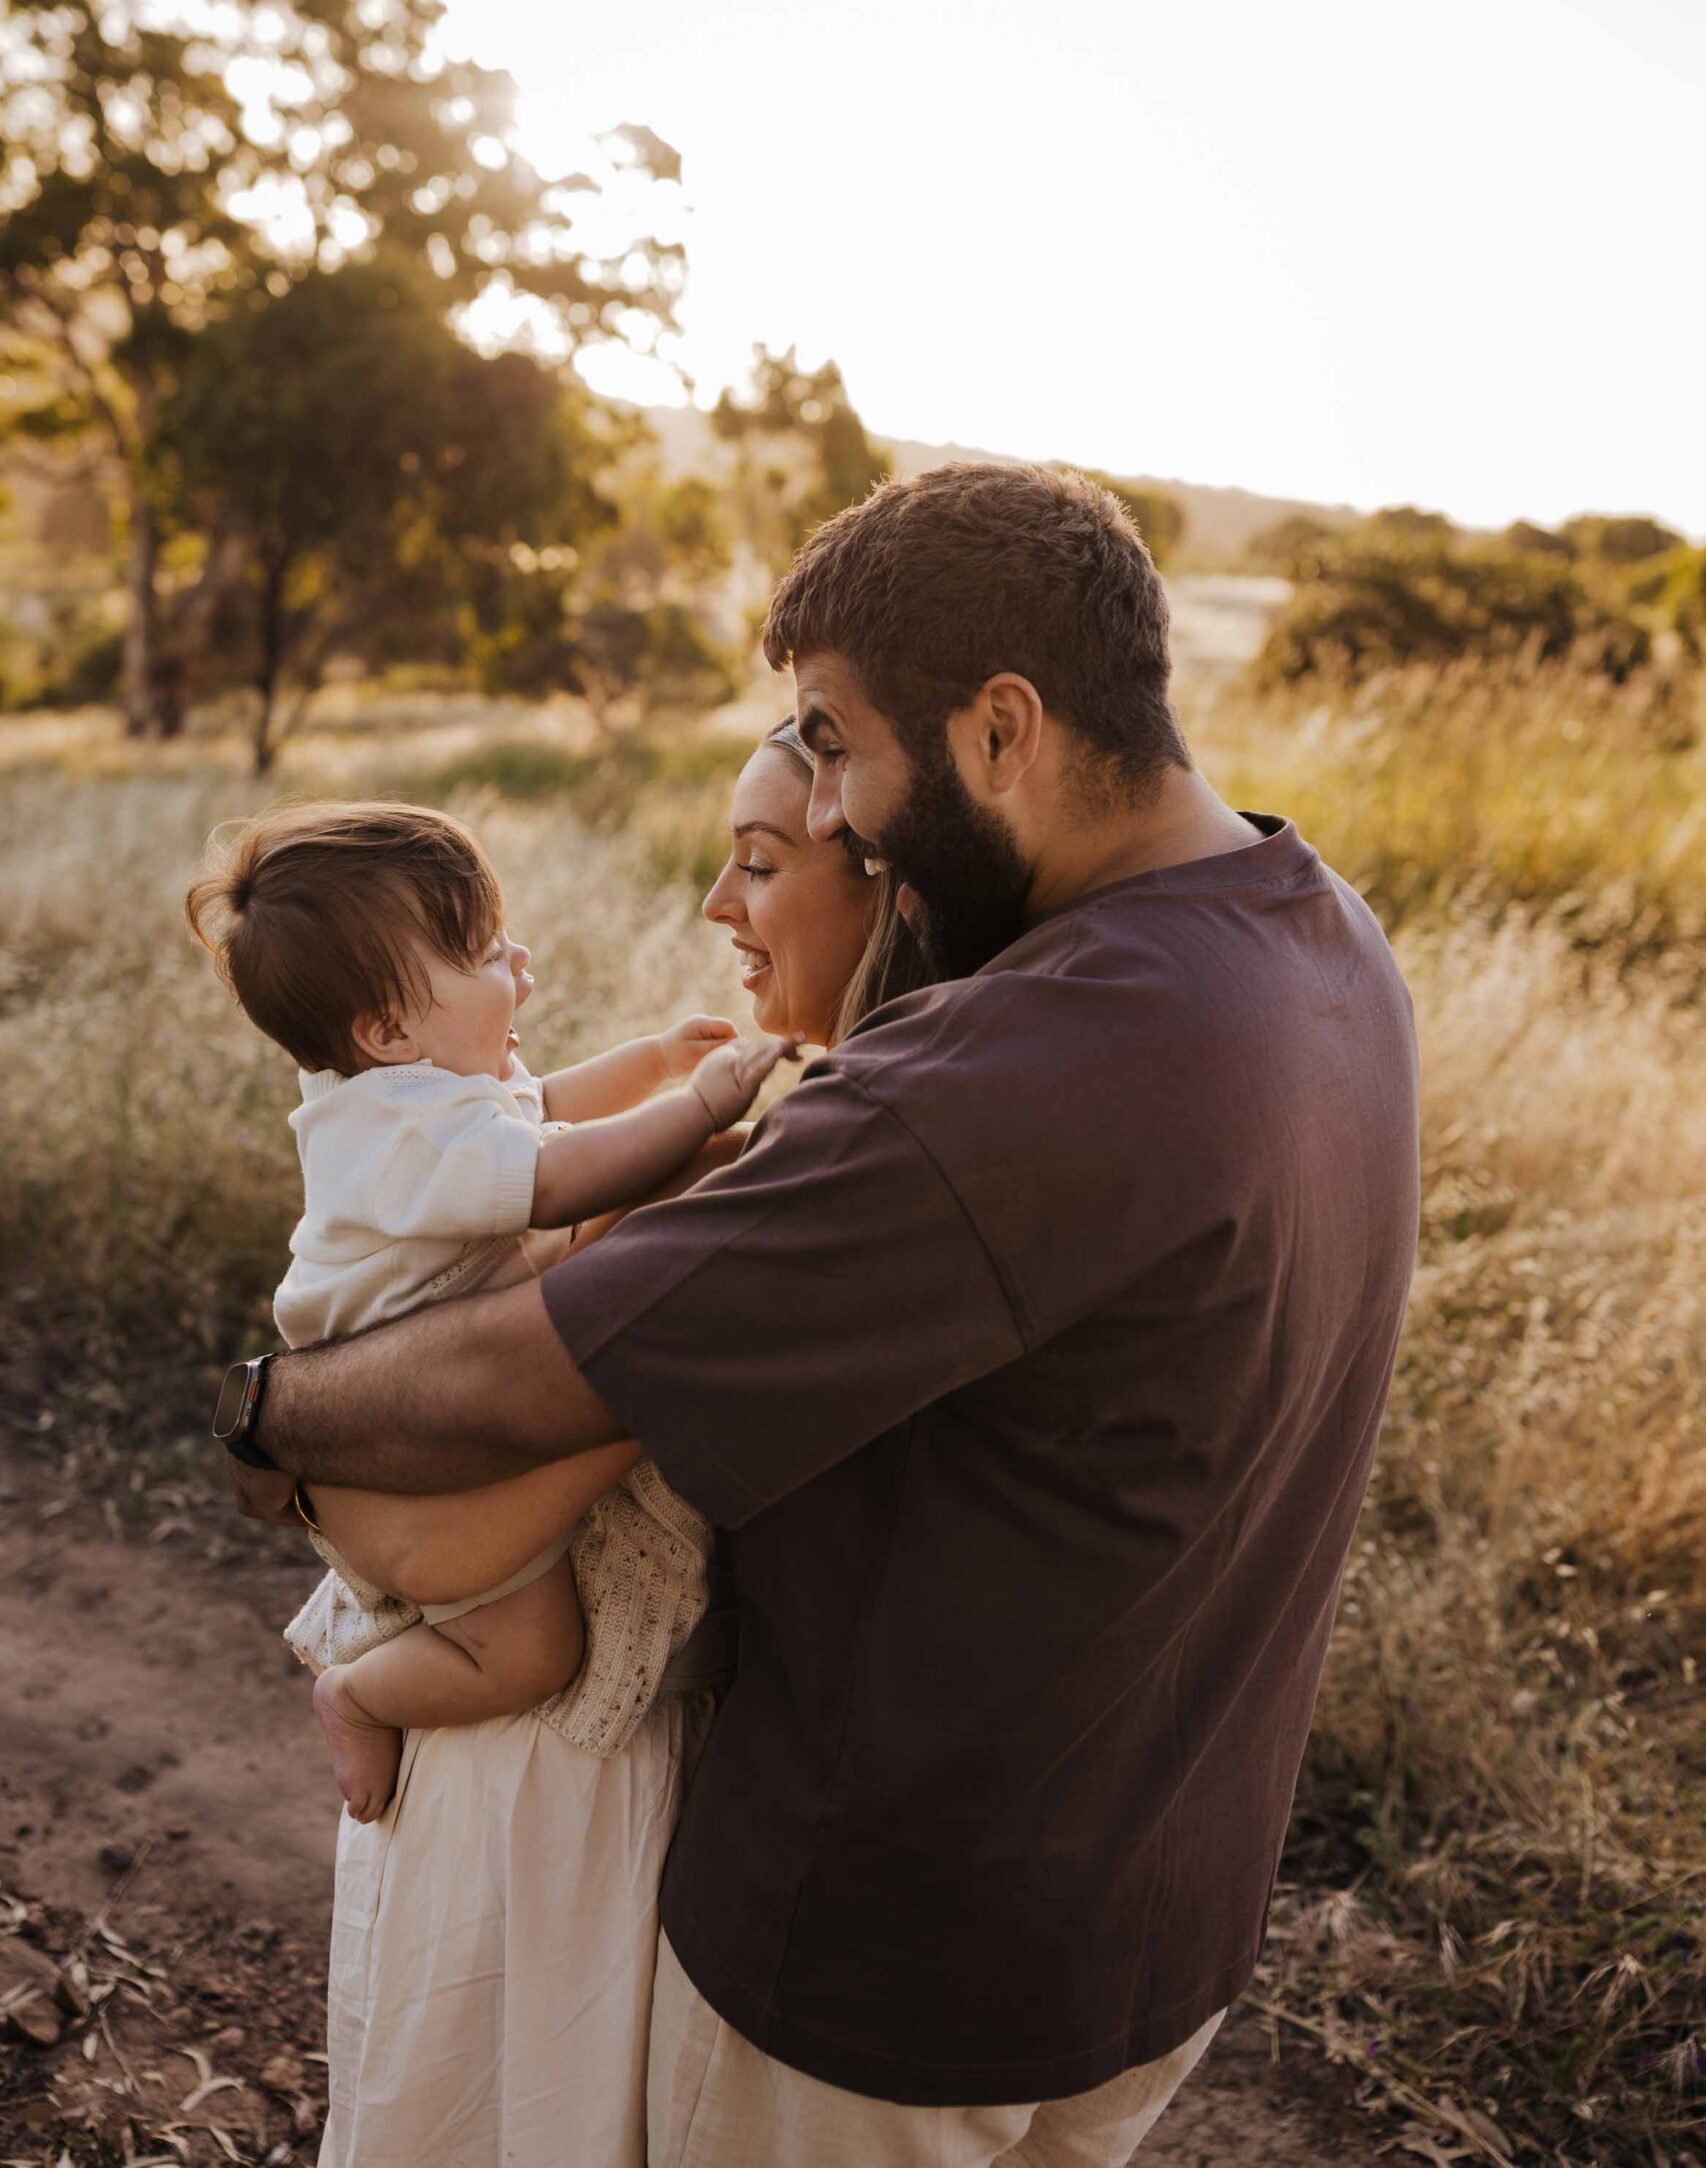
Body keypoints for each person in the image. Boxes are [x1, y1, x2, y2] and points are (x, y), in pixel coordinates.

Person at [222, 463, 1420, 2168]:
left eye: (841, 752)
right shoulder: (1319, 940)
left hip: (896, 1974)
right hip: (1152, 1927)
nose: (850, 815)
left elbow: (514, 1398)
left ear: (999, 730)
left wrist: (265, 1412)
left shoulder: (1002, 1078)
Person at [187, 799, 790, 1826]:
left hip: (446, 1356)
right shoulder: (401, 1137)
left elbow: (538, 1105)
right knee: (527, 1650)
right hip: (402, 1426)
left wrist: (649, 1059)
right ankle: (360, 1693)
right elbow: (553, 1175)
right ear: (386, 1028)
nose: (517, 958)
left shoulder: (414, 1090)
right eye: (479, 952)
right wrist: (693, 1107)